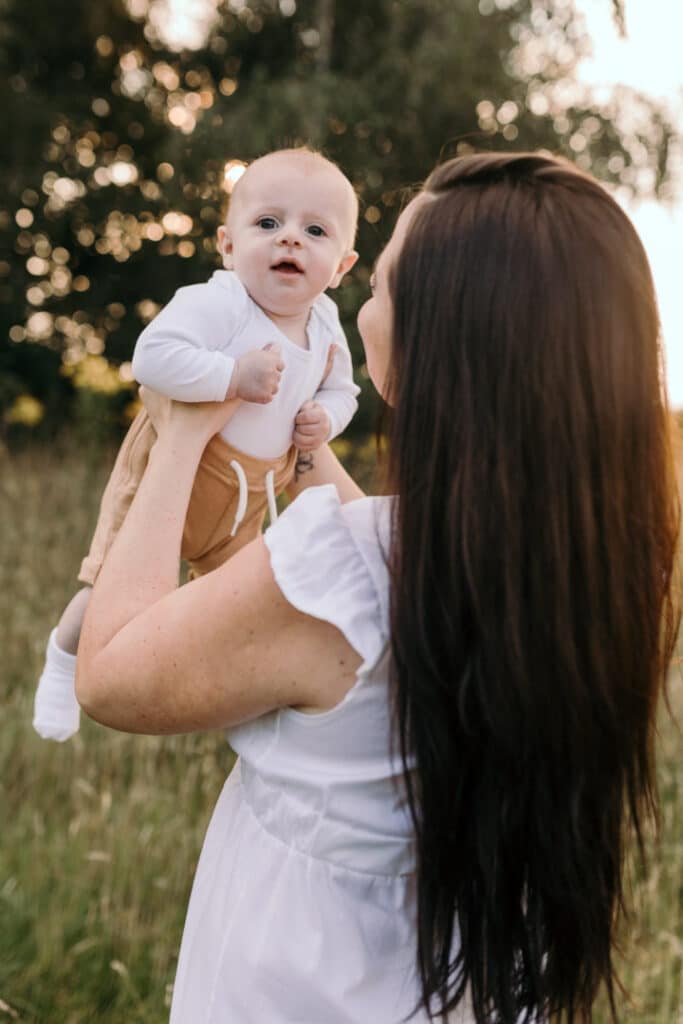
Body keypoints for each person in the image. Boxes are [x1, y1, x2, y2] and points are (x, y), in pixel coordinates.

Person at [75, 152, 680, 1024]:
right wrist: (307, 445)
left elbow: (109, 675)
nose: (356, 308)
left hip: (306, 982)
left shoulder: (338, 565)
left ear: (442, 344)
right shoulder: (608, 562)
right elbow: (397, 561)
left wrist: (179, 437)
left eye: (381, 281)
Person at [33, 147, 360, 743]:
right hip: (174, 471)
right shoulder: (220, 302)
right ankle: (63, 659)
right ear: (228, 245)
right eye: (268, 224)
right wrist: (231, 377)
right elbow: (152, 359)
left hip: (250, 493)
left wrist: (325, 420)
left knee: (232, 609)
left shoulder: (327, 323)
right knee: (105, 590)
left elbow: (345, 392)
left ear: (341, 264)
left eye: (315, 230)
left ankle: (242, 706)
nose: (290, 240)